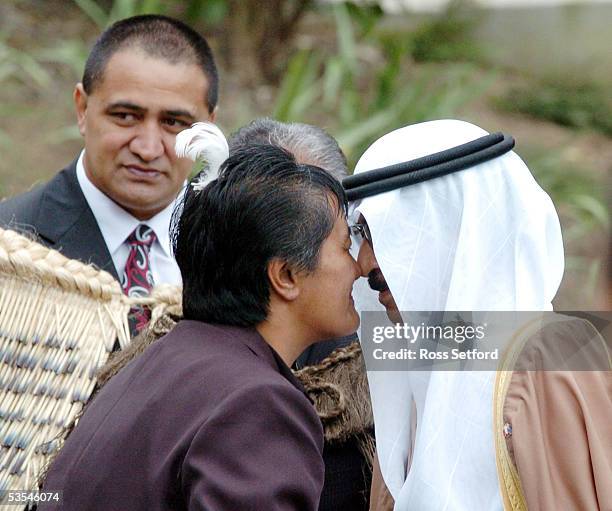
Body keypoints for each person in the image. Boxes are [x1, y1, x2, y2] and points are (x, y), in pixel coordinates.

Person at [40, 143, 362, 510]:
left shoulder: (162, 361)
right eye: (345, 247)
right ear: (285, 275)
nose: (359, 268)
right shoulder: (256, 404)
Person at [345, 120, 611, 510]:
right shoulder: (421, 374)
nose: (365, 262)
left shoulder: (548, 356)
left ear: (449, 229)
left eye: (381, 232)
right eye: (360, 235)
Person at [0, 14, 218, 292]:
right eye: (126, 116)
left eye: (173, 123)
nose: (148, 149)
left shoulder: (243, 249)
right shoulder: (8, 247)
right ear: (82, 109)